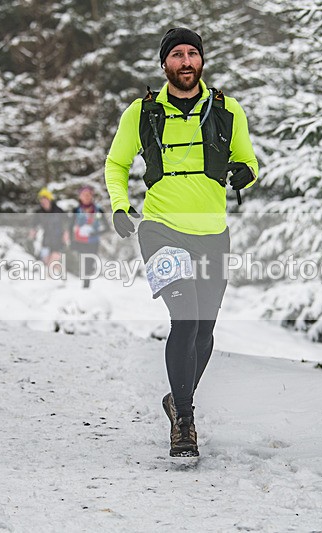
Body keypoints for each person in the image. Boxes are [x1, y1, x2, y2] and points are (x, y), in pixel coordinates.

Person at [104, 27, 258, 457]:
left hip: (212, 235)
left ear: (202, 60)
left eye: (193, 53)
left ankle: (177, 400)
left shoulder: (227, 109)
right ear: (164, 63)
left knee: (204, 331)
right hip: (160, 231)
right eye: (177, 55)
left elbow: (248, 161)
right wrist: (120, 205)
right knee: (185, 321)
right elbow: (116, 163)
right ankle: (185, 423)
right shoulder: (142, 112)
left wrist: (245, 173)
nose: (186, 61)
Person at [68, 186, 108, 288]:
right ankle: (85, 286)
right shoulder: (76, 210)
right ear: (80, 197)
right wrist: (71, 241)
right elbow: (70, 227)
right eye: (83, 195)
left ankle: (87, 283)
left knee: (89, 264)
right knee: (84, 263)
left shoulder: (98, 210)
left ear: (92, 196)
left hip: (93, 242)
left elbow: (107, 227)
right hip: (79, 241)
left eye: (88, 194)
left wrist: (95, 233)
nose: (86, 197)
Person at [32, 187, 68, 268]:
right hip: (45, 240)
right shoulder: (39, 212)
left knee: (53, 262)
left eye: (45, 199)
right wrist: (33, 233)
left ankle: (56, 273)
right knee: (46, 262)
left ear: (49, 199)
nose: (43, 201)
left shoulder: (58, 211)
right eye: (41, 199)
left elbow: (66, 223)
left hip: (58, 240)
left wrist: (66, 234)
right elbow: (34, 225)